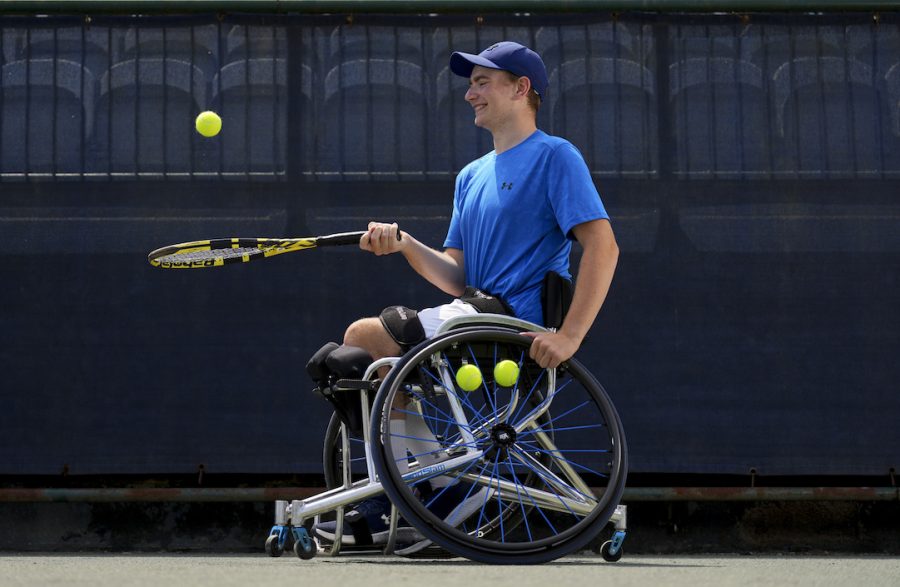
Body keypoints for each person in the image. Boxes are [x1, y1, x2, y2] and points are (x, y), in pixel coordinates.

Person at [313, 40, 619, 548]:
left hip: (512, 321)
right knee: (351, 365)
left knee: (364, 337)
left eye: (482, 82)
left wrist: (570, 337)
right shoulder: (469, 177)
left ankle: (430, 495)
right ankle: (424, 495)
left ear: (521, 89)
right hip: (472, 311)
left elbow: (603, 248)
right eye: (470, 83)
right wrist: (404, 244)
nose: (470, 94)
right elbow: (457, 274)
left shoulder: (556, 157)